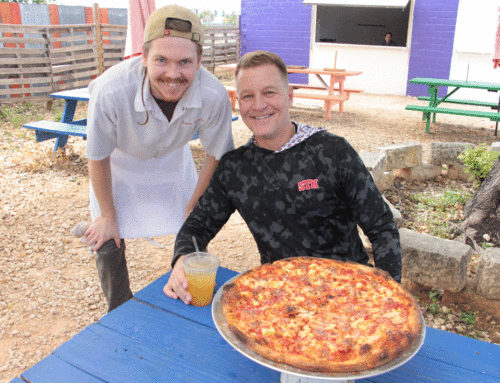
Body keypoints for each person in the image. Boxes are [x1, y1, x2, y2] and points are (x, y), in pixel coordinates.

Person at [163, 51, 401, 305]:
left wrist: (390, 294)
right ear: (238, 103)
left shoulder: (332, 151)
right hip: (281, 301)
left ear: (289, 96)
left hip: (348, 294)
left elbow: (382, 226)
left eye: (269, 93)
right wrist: (181, 259)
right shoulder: (236, 167)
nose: (258, 105)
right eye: (247, 96)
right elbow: (197, 226)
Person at [83, 5, 234, 312]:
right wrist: (107, 215)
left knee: (194, 227)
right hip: (118, 161)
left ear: (200, 61)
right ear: (143, 57)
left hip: (172, 161)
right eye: (161, 60)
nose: (173, 74)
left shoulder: (214, 95)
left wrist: (195, 205)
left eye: (185, 62)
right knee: (106, 237)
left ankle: (188, 295)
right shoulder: (110, 91)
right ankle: (119, 309)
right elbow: (97, 155)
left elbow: (218, 154)